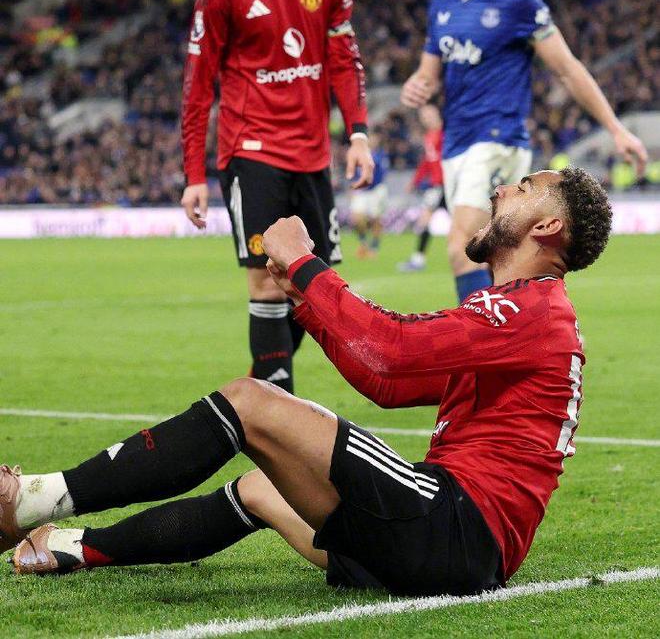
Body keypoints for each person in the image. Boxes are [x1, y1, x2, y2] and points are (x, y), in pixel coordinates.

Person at [4, 166, 613, 596]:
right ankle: (75, 546)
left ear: (546, 226)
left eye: (524, 188)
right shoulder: (525, 314)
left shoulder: (532, 312)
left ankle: (32, 499)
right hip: (448, 544)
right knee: (260, 489)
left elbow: (393, 352)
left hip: (456, 527)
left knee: (251, 401)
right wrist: (305, 300)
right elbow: (388, 385)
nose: (502, 189)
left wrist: (305, 262)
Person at [180, 0, 374, 394]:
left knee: (312, 286)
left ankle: (261, 386)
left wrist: (358, 134)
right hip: (252, 152)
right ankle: (276, 409)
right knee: (267, 284)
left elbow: (344, 60)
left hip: (313, 156)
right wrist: (194, 173)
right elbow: (198, 87)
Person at [400, 0, 646, 304]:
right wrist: (416, 85)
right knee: (492, 257)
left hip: (497, 135)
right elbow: (427, 74)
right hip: (456, 141)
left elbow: (567, 68)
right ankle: (518, 333)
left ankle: (478, 341)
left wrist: (615, 129)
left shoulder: (518, 2)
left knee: (464, 246)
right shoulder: (441, 4)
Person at [397, 104, 445, 272]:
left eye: (429, 115)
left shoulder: (446, 134)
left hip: (450, 185)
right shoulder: (430, 136)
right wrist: (415, 181)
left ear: (437, 113)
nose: (426, 119)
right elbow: (427, 161)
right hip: (437, 186)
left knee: (466, 224)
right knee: (424, 220)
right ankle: (418, 260)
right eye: (424, 117)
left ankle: (484, 258)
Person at [349, 129, 389, 258]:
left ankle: (374, 247)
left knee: (376, 219)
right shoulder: (358, 154)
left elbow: (380, 173)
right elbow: (354, 173)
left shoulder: (381, 155)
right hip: (361, 190)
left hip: (376, 190)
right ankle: (363, 244)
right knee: (357, 218)